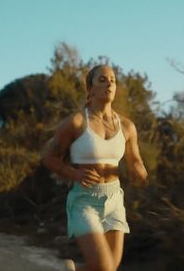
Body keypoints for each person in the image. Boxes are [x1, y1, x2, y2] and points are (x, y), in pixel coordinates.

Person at [41, 65, 148, 271]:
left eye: (113, 80)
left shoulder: (127, 126)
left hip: (114, 199)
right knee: (105, 267)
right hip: (85, 201)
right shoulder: (77, 122)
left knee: (110, 267)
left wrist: (138, 169)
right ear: (90, 89)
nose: (109, 83)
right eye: (102, 80)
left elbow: (135, 159)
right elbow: (48, 156)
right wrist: (73, 173)